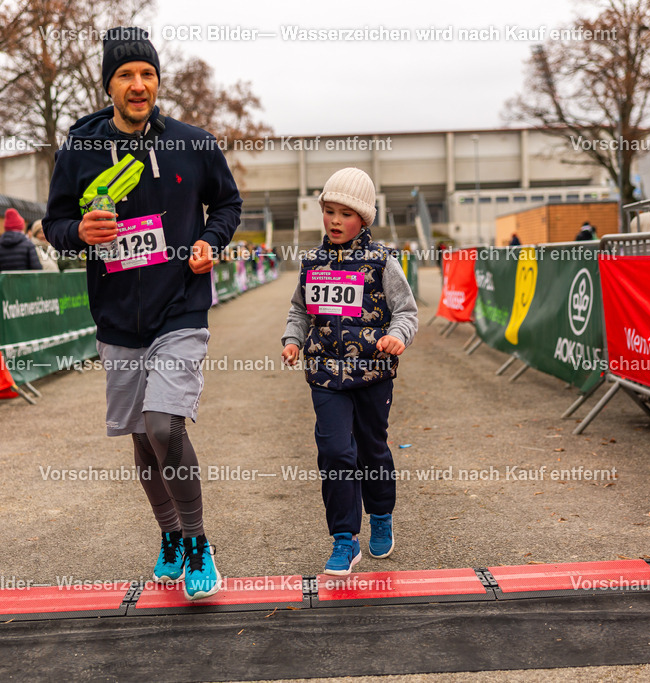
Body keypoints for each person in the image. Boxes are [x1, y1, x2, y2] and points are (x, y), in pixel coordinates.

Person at [42, 27, 242, 601]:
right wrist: (77, 232)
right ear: (108, 84)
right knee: (140, 436)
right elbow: (55, 226)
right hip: (117, 317)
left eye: (147, 74)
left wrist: (211, 241)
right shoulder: (79, 151)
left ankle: (200, 543)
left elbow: (226, 203)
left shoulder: (192, 142)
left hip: (180, 306)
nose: (138, 85)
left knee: (163, 425)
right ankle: (171, 536)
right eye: (126, 75)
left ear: (158, 82)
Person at [281, 167, 418, 576]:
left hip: (373, 374)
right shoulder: (312, 262)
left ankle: (380, 514)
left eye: (346, 213)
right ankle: (344, 538)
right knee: (336, 452)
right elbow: (300, 310)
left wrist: (398, 337)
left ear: (364, 219)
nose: (336, 221)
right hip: (326, 376)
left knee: (372, 451)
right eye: (329, 211)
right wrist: (292, 339)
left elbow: (406, 311)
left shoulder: (381, 262)